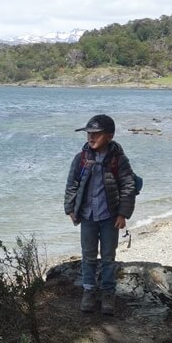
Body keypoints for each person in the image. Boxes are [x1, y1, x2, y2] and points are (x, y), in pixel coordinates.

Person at [64, 114, 139, 315]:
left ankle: (108, 292)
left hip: (109, 217)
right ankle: (88, 290)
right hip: (87, 216)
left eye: (97, 134)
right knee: (88, 255)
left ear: (110, 136)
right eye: (89, 133)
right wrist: (70, 209)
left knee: (108, 256)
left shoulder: (118, 160)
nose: (91, 137)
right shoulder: (81, 159)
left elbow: (128, 186)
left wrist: (123, 214)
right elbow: (72, 184)